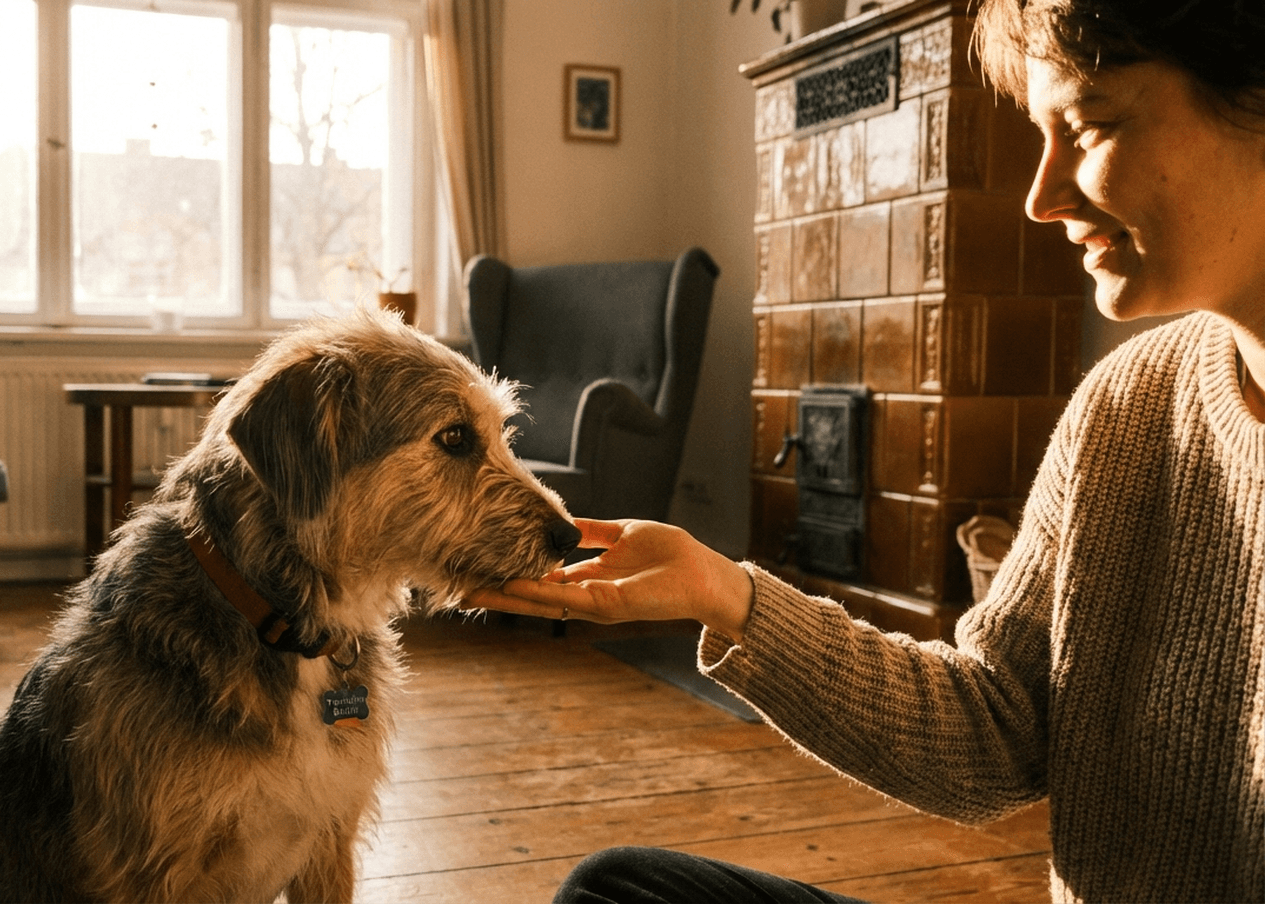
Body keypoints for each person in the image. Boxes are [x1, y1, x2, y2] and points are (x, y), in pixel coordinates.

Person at [464, 1, 1265, 901]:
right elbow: (993, 735)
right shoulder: (1128, 406)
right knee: (622, 892)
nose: (1041, 196)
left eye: (1087, 127)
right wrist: (724, 594)